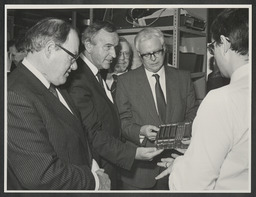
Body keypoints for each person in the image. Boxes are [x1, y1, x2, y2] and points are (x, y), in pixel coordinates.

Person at [8, 17, 110, 190]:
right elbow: (42, 175)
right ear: (50, 49)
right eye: (72, 57)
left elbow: (77, 135)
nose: (75, 67)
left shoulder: (57, 84)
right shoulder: (14, 97)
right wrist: (94, 181)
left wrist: (92, 165)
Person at [156, 8, 249, 191]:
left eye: (212, 47)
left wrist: (180, 166)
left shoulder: (221, 100)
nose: (213, 55)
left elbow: (192, 185)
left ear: (224, 43)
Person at [66, 20, 163, 190]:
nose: (114, 54)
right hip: (98, 168)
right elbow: (93, 134)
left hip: (111, 163)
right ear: (88, 45)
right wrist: (133, 153)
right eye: (108, 47)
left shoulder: (96, 73)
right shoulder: (78, 79)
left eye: (115, 47)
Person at [115, 27, 198, 190]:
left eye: (157, 52)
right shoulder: (125, 82)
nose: (153, 58)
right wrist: (141, 131)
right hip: (138, 174)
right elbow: (123, 123)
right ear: (139, 55)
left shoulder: (183, 78)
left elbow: (192, 114)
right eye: (147, 54)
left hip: (176, 165)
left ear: (164, 49)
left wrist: (179, 137)